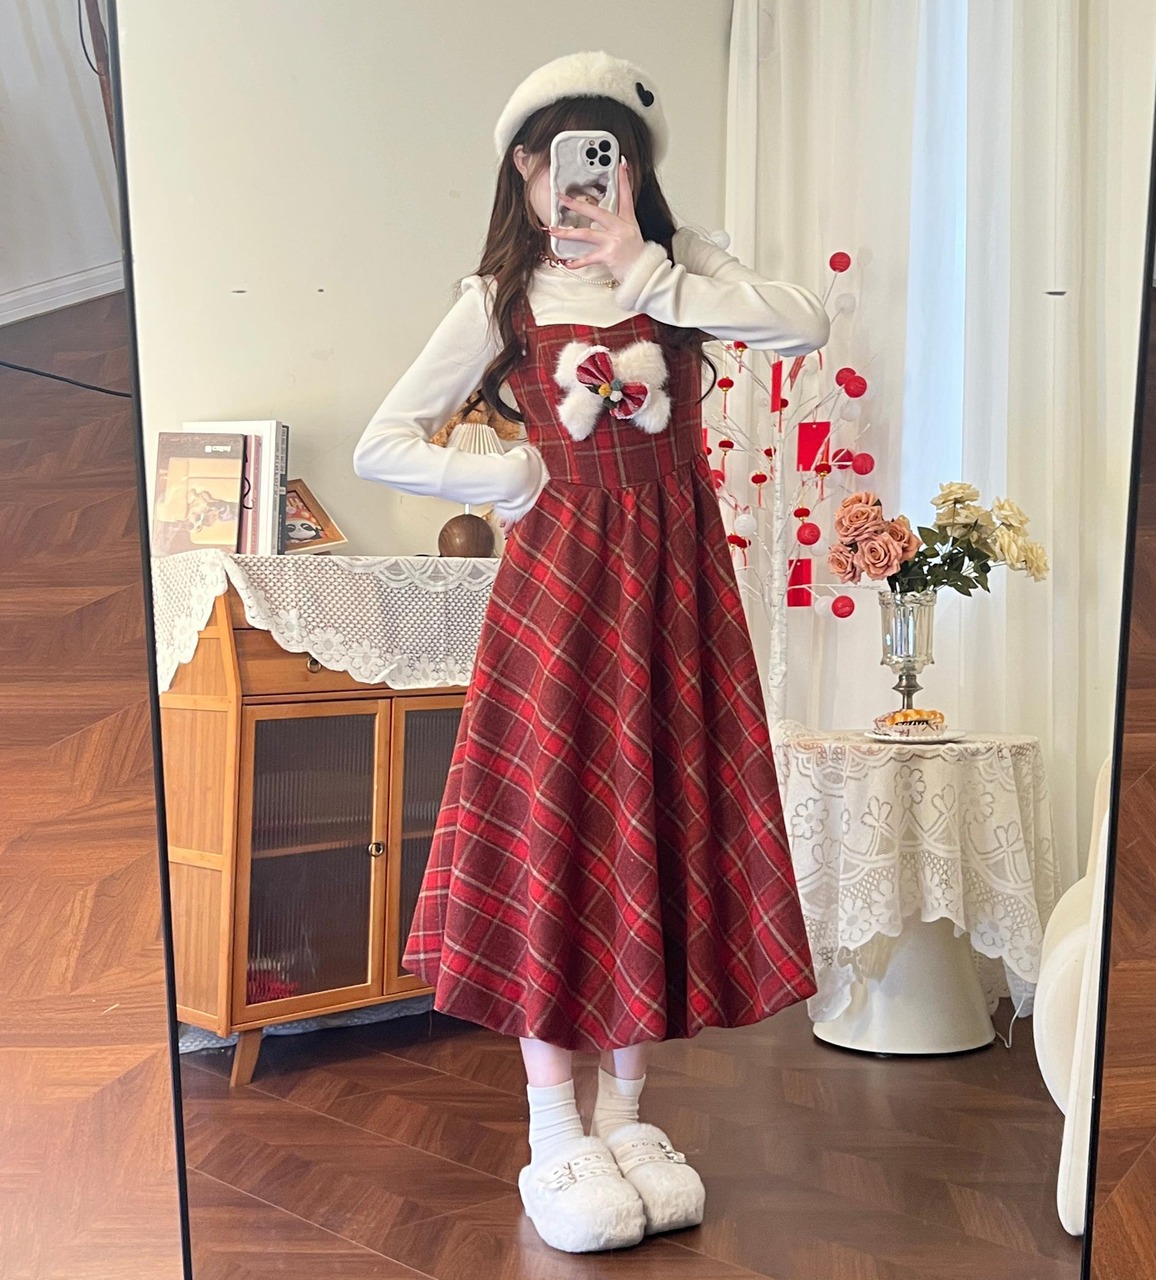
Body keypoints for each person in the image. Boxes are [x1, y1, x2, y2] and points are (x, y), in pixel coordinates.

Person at [353, 49, 827, 1255]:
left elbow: (803, 323)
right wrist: (505, 477)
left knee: (650, 816)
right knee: (558, 821)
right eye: (568, 157)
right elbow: (381, 441)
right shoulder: (497, 298)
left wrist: (645, 265)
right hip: (560, 588)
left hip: (675, 588)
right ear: (524, 165)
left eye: (610, 158)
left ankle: (626, 1115)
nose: (585, 181)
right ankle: (551, 1124)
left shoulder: (678, 268)